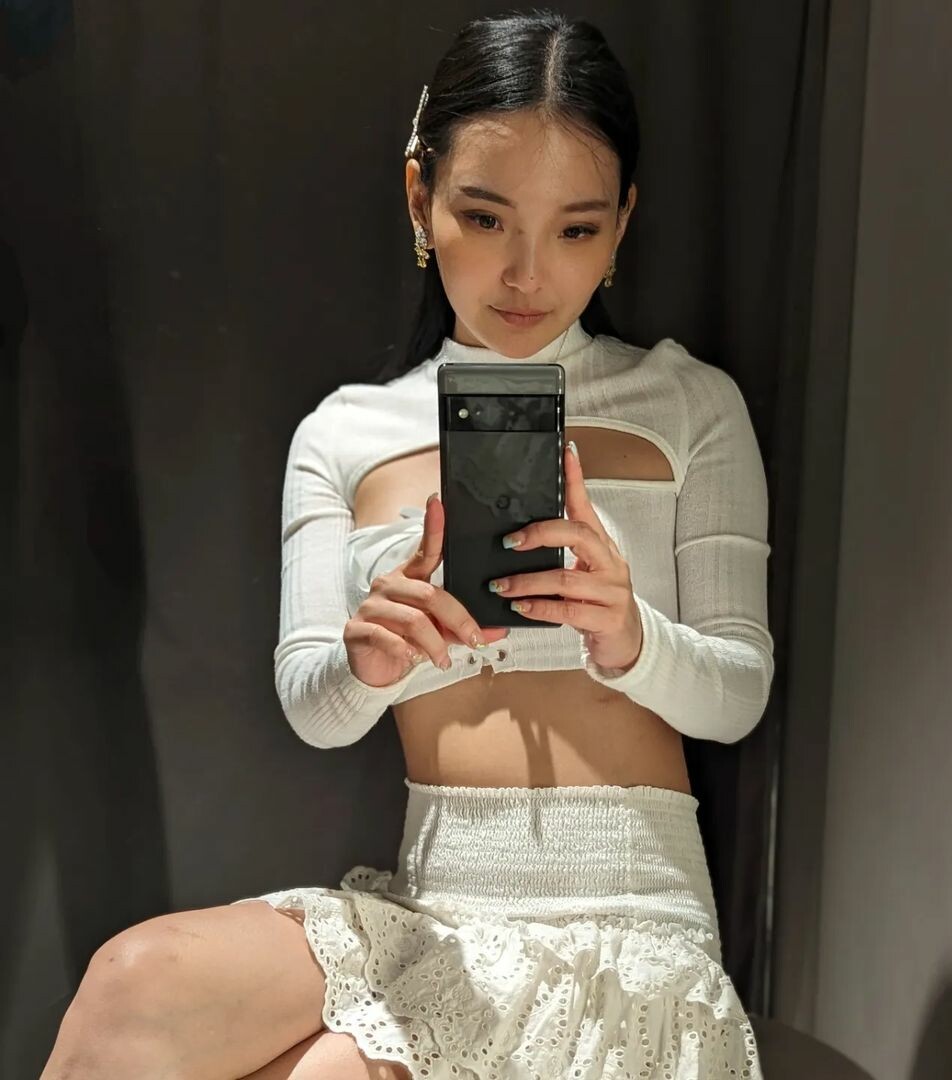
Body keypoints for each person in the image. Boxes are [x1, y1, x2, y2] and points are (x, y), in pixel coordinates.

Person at [41, 11, 773, 1079]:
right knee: (130, 981)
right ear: (419, 196)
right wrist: (370, 664)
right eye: (485, 217)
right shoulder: (344, 432)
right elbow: (313, 702)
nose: (527, 274)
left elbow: (740, 689)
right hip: (434, 912)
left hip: (628, 924)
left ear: (623, 223)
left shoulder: (690, 406)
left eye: (575, 229)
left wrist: (630, 637)